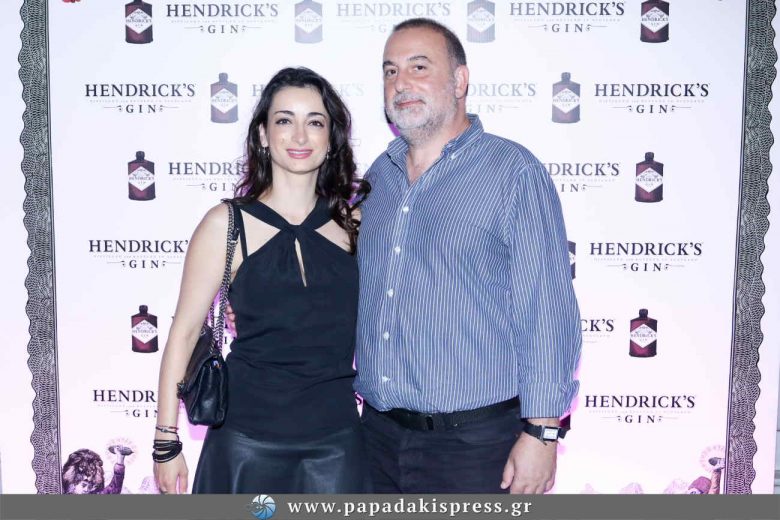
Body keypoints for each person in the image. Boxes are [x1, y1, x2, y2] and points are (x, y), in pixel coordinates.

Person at [354, 18, 582, 494]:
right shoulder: (378, 178)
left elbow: (546, 309)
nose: (401, 83)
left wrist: (542, 433)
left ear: (459, 81)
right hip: (375, 440)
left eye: (419, 67)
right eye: (391, 71)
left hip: (476, 449)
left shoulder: (512, 172)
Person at [153, 67, 370, 494]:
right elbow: (185, 332)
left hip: (338, 444)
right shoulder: (225, 224)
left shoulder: (357, 225)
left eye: (315, 122)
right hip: (244, 444)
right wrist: (166, 439)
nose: (300, 135)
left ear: (331, 139)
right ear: (263, 135)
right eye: (285, 120)